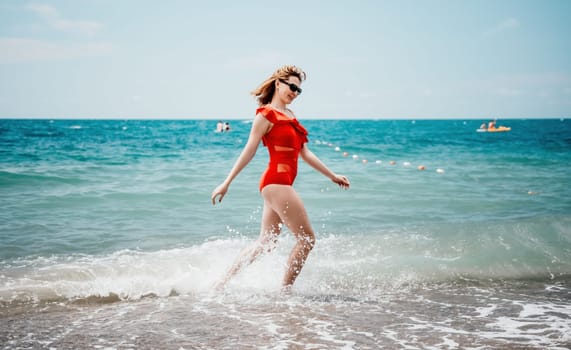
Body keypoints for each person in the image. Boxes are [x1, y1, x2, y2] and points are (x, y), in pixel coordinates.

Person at [211, 65, 350, 291]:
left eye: (299, 90)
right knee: (307, 240)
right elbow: (249, 150)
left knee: (267, 242)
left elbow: (304, 153)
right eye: (292, 86)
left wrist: (332, 175)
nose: (295, 92)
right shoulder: (266, 115)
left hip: (277, 184)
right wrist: (226, 183)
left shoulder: (291, 116)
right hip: (276, 183)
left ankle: (220, 284)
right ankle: (285, 293)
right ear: (278, 83)